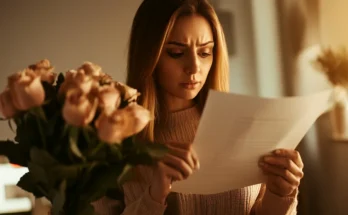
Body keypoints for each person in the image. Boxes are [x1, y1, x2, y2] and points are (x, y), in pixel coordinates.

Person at [94, 0, 304, 214]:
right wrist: (154, 196)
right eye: (176, 52)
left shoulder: (243, 126)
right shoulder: (114, 140)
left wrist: (279, 194)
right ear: (149, 54)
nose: (194, 67)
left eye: (205, 53)